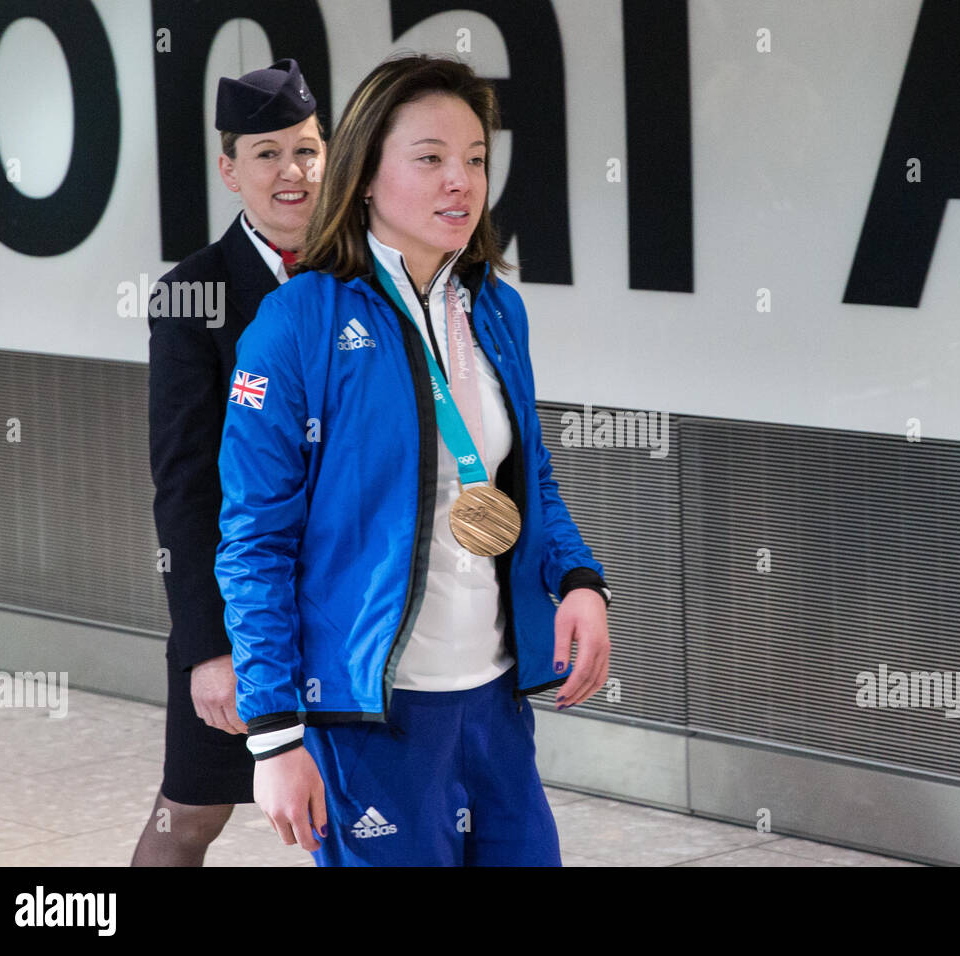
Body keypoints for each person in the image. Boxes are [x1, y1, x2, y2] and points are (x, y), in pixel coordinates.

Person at [214, 53, 612, 866]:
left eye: (474, 159)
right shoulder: (295, 326)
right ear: (363, 173)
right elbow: (254, 542)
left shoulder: (497, 310)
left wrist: (578, 579)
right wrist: (274, 737)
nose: (459, 182)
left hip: (497, 701)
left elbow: (527, 479)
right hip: (371, 719)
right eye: (429, 158)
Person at [132, 59, 325, 866]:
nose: (293, 172)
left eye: (309, 150)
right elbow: (183, 485)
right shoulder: (193, 295)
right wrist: (210, 646)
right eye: (268, 152)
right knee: (192, 815)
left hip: (354, 600)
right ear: (229, 168)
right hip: (242, 608)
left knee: (366, 810)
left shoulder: (366, 272)